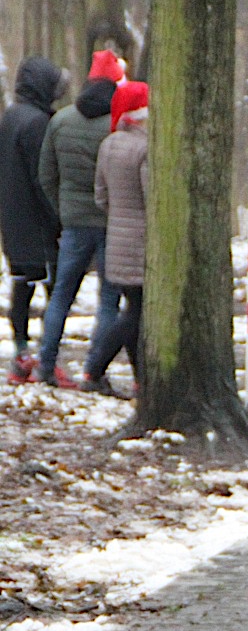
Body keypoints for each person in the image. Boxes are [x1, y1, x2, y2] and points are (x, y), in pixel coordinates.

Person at [35, 48, 124, 386]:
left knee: (61, 295)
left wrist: (63, 208)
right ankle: (93, 370)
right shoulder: (117, 126)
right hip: (110, 223)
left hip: (73, 222)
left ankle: (46, 364)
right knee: (109, 301)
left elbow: (46, 174)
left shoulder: (61, 121)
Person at [0, 56, 67, 382]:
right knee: (56, 290)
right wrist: (58, 216)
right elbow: (43, 179)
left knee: (22, 285)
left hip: (13, 221)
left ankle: (21, 353)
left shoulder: (10, 117)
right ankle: (48, 358)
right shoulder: (37, 123)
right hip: (38, 225)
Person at [83, 81, 149, 394]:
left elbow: (100, 196)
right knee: (135, 313)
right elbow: (152, 198)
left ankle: (140, 379)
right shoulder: (145, 148)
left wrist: (119, 215)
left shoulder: (108, 145)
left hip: (116, 241)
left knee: (134, 309)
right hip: (141, 243)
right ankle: (94, 369)